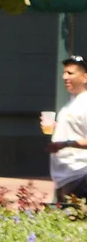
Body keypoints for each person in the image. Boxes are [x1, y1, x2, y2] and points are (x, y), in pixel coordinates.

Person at [43, 55, 87, 203]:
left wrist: (66, 144)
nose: (64, 77)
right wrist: (57, 127)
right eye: (64, 73)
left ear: (85, 77)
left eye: (70, 73)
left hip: (80, 175)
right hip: (64, 177)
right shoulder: (72, 102)